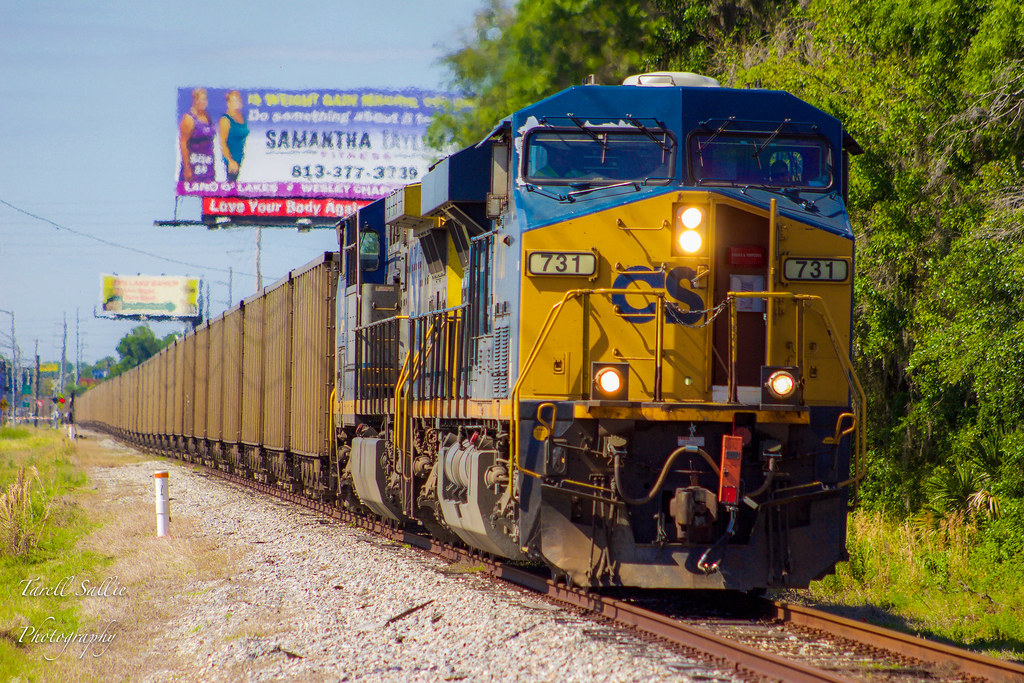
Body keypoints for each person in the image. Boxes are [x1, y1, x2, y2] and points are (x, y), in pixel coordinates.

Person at [179, 88, 216, 183]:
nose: (203, 102)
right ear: (195, 101)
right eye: (201, 99)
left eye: (205, 100)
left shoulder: (207, 117)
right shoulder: (189, 119)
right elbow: (183, 143)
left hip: (208, 165)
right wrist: (187, 167)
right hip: (194, 165)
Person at [219, 90, 249, 182]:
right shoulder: (225, 120)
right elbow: (223, 143)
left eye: (238, 100)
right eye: (234, 101)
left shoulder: (241, 117)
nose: (237, 103)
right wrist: (230, 161)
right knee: (231, 186)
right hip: (231, 161)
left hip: (240, 157)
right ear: (229, 103)